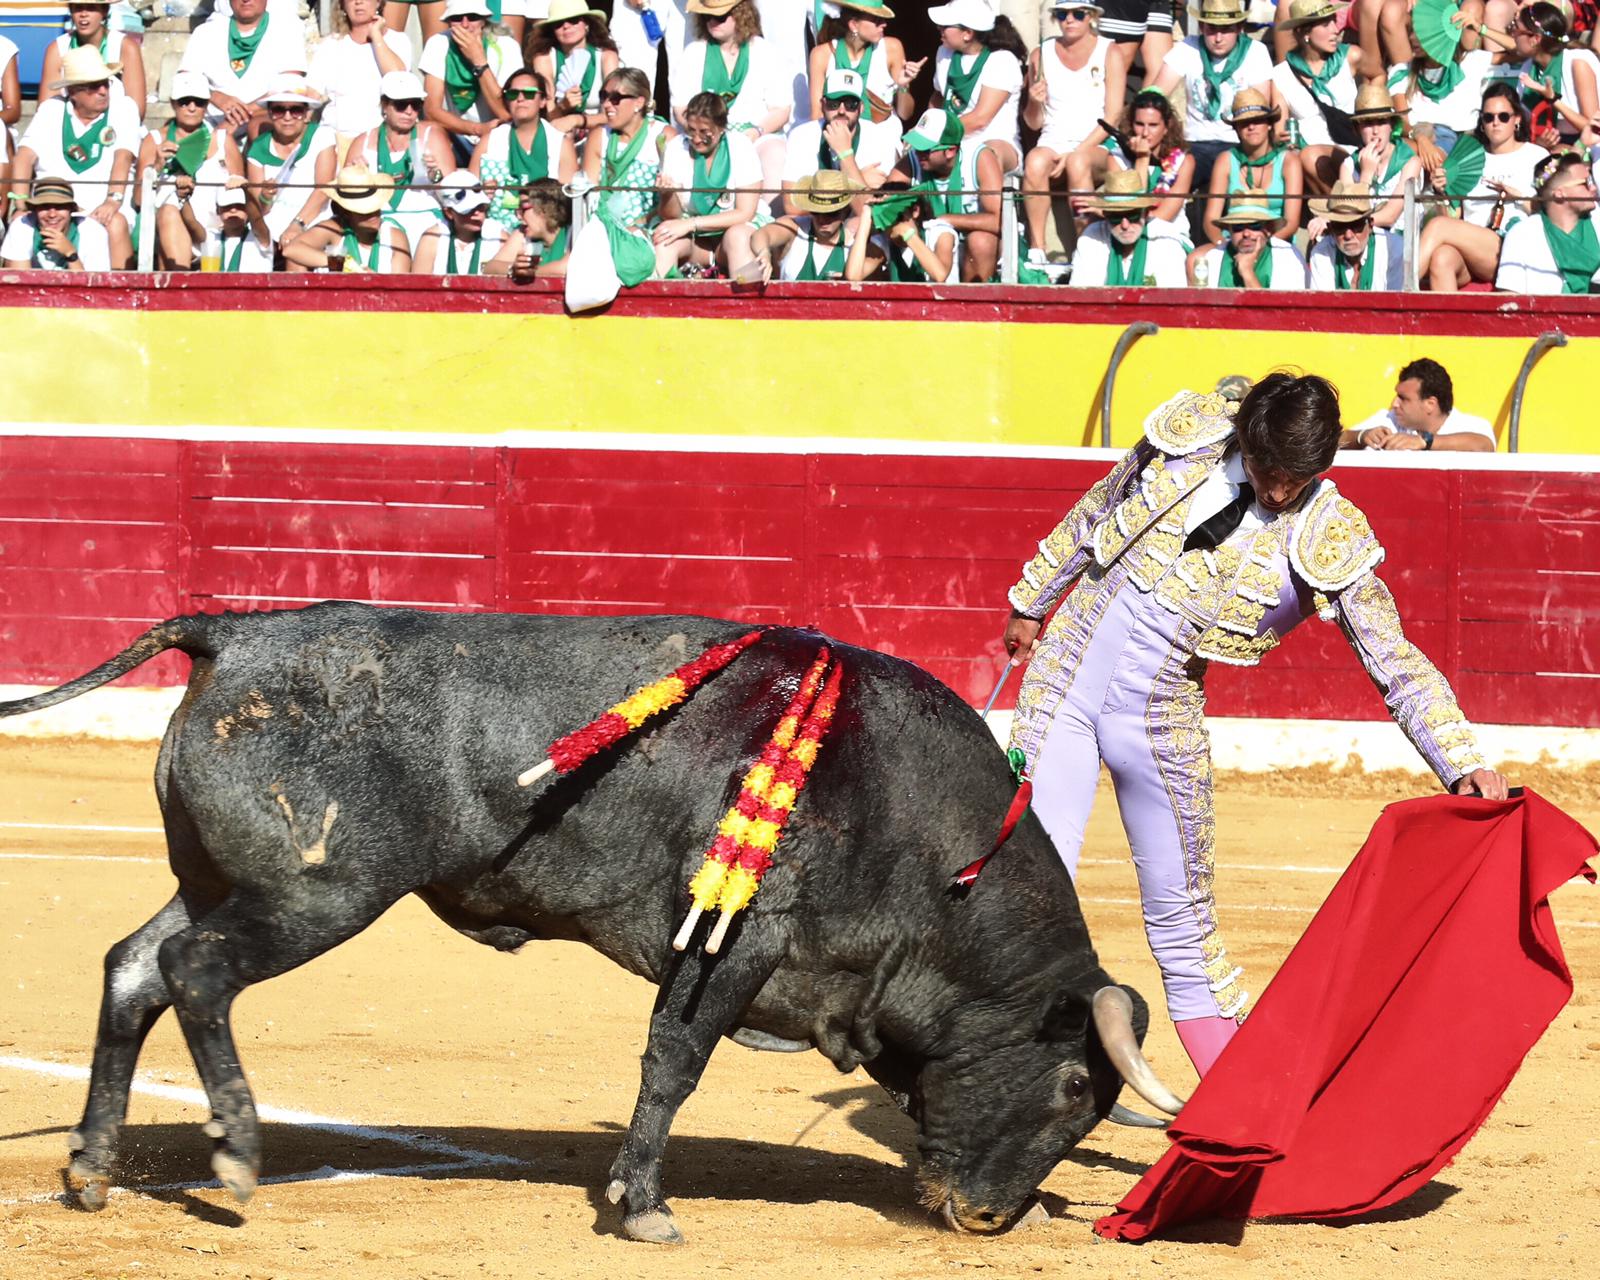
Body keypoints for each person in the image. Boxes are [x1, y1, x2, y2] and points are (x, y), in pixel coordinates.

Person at [1000, 374, 1508, 1076]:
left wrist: (1460, 758)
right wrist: (1034, 599)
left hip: (1161, 714)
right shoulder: (1192, 438)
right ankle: (974, 1072)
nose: (1276, 494)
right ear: (1248, 441)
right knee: (1025, 883)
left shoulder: (1327, 532)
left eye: (1295, 481)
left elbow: (1393, 658)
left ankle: (1241, 1106)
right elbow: (1100, 508)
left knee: (1184, 926)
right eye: (1269, 474)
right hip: (1066, 676)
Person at [10, 46, 138, 269]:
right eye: (93, 86)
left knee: (115, 222)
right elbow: (24, 157)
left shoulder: (124, 108)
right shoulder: (51, 110)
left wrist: (113, 200)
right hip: (51, 203)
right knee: (19, 222)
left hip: (103, 203)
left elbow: (123, 158)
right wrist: (21, 203)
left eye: (105, 83)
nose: (103, 91)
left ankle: (122, 293)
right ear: (73, 92)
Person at [1416, 82, 1546, 290]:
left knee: (1438, 227)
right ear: (1482, 123)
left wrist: (1518, 199)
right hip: (1472, 248)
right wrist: (1441, 192)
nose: (1496, 123)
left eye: (1503, 116)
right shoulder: (1468, 157)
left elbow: (1551, 216)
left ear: (1517, 120)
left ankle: (1395, 291)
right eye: (1488, 117)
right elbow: (1453, 217)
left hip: (1512, 247)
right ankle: (1445, 322)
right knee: (1442, 257)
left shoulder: (1536, 157)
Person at [1023, 2, 1125, 265]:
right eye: (1062, 14)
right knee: (1034, 160)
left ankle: (1085, 247)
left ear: (1091, 16)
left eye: (1078, 14)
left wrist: (1075, 153)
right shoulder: (1041, 54)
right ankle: (1037, 250)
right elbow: (1033, 123)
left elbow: (1112, 117)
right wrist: (1034, 101)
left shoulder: (1109, 51)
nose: (1069, 20)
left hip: (1098, 143)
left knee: (1079, 162)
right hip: (1053, 141)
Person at [674, 0, 793, 205]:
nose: (712, 21)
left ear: (740, 14)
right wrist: (707, 135)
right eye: (707, 16)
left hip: (755, 135)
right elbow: (680, 108)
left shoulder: (765, 51)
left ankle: (770, 225)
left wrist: (754, 133)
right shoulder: (694, 52)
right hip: (705, 137)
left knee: (776, 152)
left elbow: (781, 110)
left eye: (720, 16)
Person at [1149, 0, 1272, 190]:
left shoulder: (1255, 51)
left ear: (1239, 28)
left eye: (1226, 29)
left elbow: (1261, 108)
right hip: (1195, 143)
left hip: (1238, 143)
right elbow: (1155, 93)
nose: (1218, 38)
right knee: (1166, 182)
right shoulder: (1189, 47)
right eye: (1211, 29)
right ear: (1201, 27)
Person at [138, 69, 245, 270]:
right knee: (168, 212)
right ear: (173, 104)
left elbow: (239, 193)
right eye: (184, 102)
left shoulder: (223, 141)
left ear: (206, 105)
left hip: (212, 232)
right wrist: (157, 166)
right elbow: (138, 199)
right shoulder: (154, 140)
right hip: (169, 228)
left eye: (199, 102)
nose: (192, 108)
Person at [655, 89, 764, 277]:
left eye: (705, 132)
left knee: (739, 237)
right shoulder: (675, 148)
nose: (696, 139)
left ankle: (748, 301)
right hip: (694, 240)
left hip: (732, 232)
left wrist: (692, 224)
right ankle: (663, 303)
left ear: (721, 128)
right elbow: (671, 215)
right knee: (664, 238)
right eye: (691, 130)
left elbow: (745, 213)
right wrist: (668, 195)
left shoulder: (741, 146)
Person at [893, 105, 1004, 280]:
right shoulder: (913, 160)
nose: (919, 153)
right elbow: (886, 201)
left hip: (971, 249)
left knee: (981, 242)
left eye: (926, 149)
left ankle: (972, 304)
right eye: (917, 146)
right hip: (931, 245)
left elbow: (1000, 221)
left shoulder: (980, 158)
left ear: (950, 150)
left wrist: (946, 220)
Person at [349, 69, 457, 248]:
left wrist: (435, 175)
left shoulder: (433, 135)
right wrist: (357, 178)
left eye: (415, 105)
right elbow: (347, 200)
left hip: (426, 224)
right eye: (401, 105)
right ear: (384, 105)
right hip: (379, 226)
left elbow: (454, 195)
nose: (409, 111)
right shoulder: (363, 141)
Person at [1271, 0, 1367, 195]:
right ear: (1305, 33)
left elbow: (1378, 75)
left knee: (1309, 156)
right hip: (1307, 152)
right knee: (1304, 156)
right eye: (1325, 24)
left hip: (1348, 147)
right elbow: (1279, 128)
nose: (1335, 29)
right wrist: (1280, 135)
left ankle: (1342, 210)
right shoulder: (1281, 75)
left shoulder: (1350, 56)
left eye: (1334, 21)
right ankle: (1339, 212)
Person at [471, 68, 579, 233]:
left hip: (547, 233)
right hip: (497, 232)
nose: (520, 99)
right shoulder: (489, 140)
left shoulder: (560, 143)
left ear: (543, 101)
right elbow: (469, 193)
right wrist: (482, 195)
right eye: (513, 94)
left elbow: (567, 201)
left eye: (528, 94)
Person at [927, 0, 1027, 177]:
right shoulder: (943, 53)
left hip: (995, 140)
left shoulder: (1002, 60)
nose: (939, 28)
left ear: (967, 33)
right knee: (911, 159)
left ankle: (988, 206)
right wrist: (925, 126)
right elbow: (937, 98)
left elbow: (980, 119)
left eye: (946, 25)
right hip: (947, 139)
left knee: (984, 156)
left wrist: (934, 133)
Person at [1387, 10, 1498, 169]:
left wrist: (1481, 29)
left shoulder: (1469, 61)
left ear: (1439, 35)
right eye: (1411, 32)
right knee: (1398, 152)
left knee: (1434, 162)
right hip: (1420, 134)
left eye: (1419, 34)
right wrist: (1421, 139)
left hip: (1463, 138)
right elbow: (1402, 121)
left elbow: (1520, 51)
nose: (1411, 38)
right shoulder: (1402, 71)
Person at [178, 0, 310, 132]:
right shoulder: (205, 32)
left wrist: (241, 116)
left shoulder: (286, 30)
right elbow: (185, 81)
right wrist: (216, 97)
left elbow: (291, 85)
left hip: (265, 120)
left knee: (259, 127)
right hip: (211, 122)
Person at [420, 0, 523, 162]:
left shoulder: (507, 46)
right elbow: (431, 110)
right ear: (448, 22)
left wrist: (479, 62)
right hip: (457, 134)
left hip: (498, 132)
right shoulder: (438, 43)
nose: (465, 24)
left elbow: (506, 112)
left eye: (473, 17)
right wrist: (476, 129)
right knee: (425, 129)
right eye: (457, 18)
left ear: (483, 20)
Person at [1198, 88, 1304, 245]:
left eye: (1258, 120)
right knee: (1194, 260)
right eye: (1244, 123)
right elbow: (1211, 219)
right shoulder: (1226, 160)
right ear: (1237, 129)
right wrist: (1224, 245)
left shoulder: (1289, 162)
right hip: (1234, 242)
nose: (1251, 127)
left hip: (1276, 243)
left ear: (1269, 124)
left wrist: (1263, 248)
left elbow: (1291, 222)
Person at [782, 67, 900, 207]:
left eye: (851, 104)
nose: (842, 111)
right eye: (834, 104)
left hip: (857, 222)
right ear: (822, 105)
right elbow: (791, 205)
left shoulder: (880, 137)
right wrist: (856, 181)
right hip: (813, 221)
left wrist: (845, 155)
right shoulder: (801, 136)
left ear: (861, 108)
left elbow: (871, 209)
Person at [244, 76, 338, 251]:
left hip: (314, 222)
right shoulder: (258, 147)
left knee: (297, 250)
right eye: (279, 110)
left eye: (295, 110)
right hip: (269, 231)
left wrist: (297, 225)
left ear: (305, 113)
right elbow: (260, 209)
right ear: (270, 113)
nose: (287, 117)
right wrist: (265, 196)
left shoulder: (323, 136)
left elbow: (323, 190)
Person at [1097, 86, 1194, 243]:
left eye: (1153, 125)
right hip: (1126, 234)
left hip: (1166, 237)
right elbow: (1127, 210)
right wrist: (1142, 161)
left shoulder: (1184, 161)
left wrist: (1142, 157)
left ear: (1166, 127)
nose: (1145, 133)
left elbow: (1163, 216)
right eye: (1140, 124)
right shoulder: (1116, 158)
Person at [307, 0, 412, 145]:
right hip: (335, 138)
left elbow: (399, 81)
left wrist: (376, 36)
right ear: (343, 5)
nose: (358, 2)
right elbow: (311, 95)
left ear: (378, 3)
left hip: (379, 140)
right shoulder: (330, 46)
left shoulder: (398, 41)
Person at [805, 0, 921, 131]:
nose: (884, 24)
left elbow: (905, 114)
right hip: (838, 136)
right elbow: (817, 115)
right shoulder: (821, 54)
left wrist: (903, 86)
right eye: (876, 20)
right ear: (854, 25)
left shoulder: (892, 48)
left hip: (883, 138)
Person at [1495, 148, 1600, 292]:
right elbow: (1509, 298)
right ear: (1559, 194)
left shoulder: (1597, 224)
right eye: (1586, 183)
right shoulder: (1522, 234)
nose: (1594, 188)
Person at [583, 66, 675, 230]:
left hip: (650, 226)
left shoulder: (663, 136)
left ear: (639, 102)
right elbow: (589, 193)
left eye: (616, 98)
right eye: (604, 96)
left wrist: (638, 225)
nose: (606, 104)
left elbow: (674, 200)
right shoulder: (599, 136)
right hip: (603, 225)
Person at [1341, 357, 1497, 449]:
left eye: (1403, 398)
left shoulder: (1473, 425)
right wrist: (1361, 436)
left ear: (1430, 404)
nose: (1394, 403)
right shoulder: (1389, 420)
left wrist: (1424, 442)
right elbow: (1335, 439)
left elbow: (1484, 446)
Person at [1068, 167, 1188, 285]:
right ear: (1105, 215)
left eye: (1132, 216)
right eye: (1116, 217)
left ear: (1146, 214)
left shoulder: (1166, 239)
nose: (1125, 225)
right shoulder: (1091, 238)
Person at [282, 163, 411, 271]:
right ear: (346, 212)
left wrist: (373, 280)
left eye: (375, 208)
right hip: (336, 300)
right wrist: (343, 264)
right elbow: (291, 250)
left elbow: (400, 287)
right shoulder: (335, 228)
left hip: (381, 299)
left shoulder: (394, 235)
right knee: (296, 262)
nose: (373, 215)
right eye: (364, 211)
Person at [527, 0, 621, 142]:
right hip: (558, 134)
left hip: (601, 132)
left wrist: (576, 120)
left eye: (573, 20)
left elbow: (615, 113)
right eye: (558, 24)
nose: (566, 26)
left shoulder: (606, 57)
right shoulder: (544, 59)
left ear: (587, 24)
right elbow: (547, 117)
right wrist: (563, 106)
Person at [749, 167, 869, 277]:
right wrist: (764, 252)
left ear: (845, 211)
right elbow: (760, 235)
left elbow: (855, 278)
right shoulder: (796, 228)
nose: (822, 219)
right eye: (816, 212)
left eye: (831, 213)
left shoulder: (855, 241)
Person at [1507, 2, 1599, 144]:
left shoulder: (1577, 62)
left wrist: (1553, 99)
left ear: (1535, 39)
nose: (1512, 34)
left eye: (1516, 29)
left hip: (1585, 148)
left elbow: (1594, 129)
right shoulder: (1530, 67)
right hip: (1551, 144)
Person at [37, 0, 146, 120]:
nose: (83, 14)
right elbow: (45, 108)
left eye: (91, 7)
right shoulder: (57, 49)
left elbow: (137, 110)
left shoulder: (126, 47)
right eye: (78, 8)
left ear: (104, 11)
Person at [1335, 81, 1423, 231]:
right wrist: (1366, 176)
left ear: (1392, 126)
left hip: (1398, 242)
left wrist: (1353, 221)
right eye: (1368, 123)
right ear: (1357, 129)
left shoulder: (1410, 162)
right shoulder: (1348, 166)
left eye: (1382, 122)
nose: (1375, 131)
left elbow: (1390, 216)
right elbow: (1349, 210)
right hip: (1361, 239)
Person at [845, 179, 958, 280]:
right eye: (886, 220)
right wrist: (866, 217)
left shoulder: (939, 232)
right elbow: (853, 276)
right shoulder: (884, 241)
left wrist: (908, 234)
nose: (892, 226)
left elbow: (940, 275)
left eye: (896, 218)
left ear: (915, 211)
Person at [1191, 190, 1308, 287]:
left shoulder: (1287, 256)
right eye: (1238, 227)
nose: (1246, 234)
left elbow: (1279, 313)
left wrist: (1247, 272)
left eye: (1254, 226)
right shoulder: (1213, 258)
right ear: (1229, 230)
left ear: (1268, 229)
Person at [411, 168, 517, 272]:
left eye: (481, 206)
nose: (477, 213)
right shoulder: (433, 238)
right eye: (468, 210)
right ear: (449, 213)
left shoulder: (498, 237)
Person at [1, 174, 112, 270]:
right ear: (35, 210)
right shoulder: (22, 226)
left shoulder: (93, 231)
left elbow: (93, 288)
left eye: (60, 207)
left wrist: (71, 255)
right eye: (44, 207)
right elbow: (20, 282)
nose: (52, 214)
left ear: (71, 210)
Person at [1306, 180, 1404, 288]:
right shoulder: (1321, 253)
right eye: (1340, 226)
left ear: (1370, 225)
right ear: (1331, 229)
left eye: (1356, 225)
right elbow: (1323, 302)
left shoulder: (1393, 250)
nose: (1348, 235)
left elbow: (1395, 301)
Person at [507, 174, 574, 278]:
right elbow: (490, 267)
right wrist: (514, 268)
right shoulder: (524, 233)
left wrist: (532, 272)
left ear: (545, 209)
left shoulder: (572, 232)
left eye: (523, 208)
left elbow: (566, 268)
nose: (519, 217)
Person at [211, 184, 276, 271]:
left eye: (239, 206)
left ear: (248, 210)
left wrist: (246, 190)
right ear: (218, 210)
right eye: (227, 206)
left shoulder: (259, 237)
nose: (233, 210)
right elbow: (191, 222)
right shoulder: (211, 238)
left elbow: (257, 219)